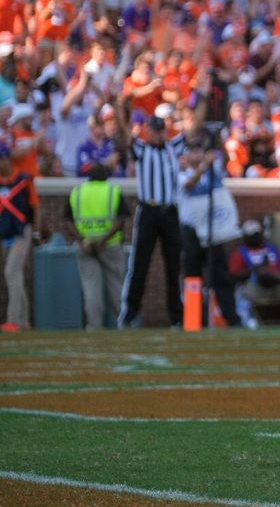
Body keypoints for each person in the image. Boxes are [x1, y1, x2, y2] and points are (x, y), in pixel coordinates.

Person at [114, 66, 209, 328]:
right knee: (139, 265)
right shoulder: (142, 149)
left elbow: (195, 126)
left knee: (172, 267)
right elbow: (124, 133)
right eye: (154, 130)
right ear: (148, 131)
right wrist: (123, 104)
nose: (158, 134)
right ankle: (129, 314)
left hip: (169, 212)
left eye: (160, 130)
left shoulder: (172, 147)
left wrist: (201, 96)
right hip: (148, 211)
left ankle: (177, 317)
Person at [177, 133, 242, 327]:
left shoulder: (213, 170)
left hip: (213, 232)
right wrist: (205, 165)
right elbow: (189, 185)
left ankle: (232, 319)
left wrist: (218, 135)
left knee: (220, 276)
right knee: (193, 278)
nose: (198, 155)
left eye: (200, 150)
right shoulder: (181, 174)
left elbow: (226, 158)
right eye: (193, 151)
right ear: (185, 157)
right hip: (191, 233)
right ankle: (192, 320)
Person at [66, 162, 129, 330]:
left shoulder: (77, 192)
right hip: (109, 244)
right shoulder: (112, 190)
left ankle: (93, 325)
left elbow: (68, 221)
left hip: (85, 245)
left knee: (91, 288)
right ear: (105, 176)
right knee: (116, 286)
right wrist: (103, 240)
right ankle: (122, 324)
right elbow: (122, 219)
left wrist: (82, 241)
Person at [0, 142, 39, 331]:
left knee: (11, 272)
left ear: (7, 159)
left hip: (21, 232)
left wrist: (36, 232)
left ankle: (14, 320)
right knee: (15, 275)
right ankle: (23, 321)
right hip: (4, 234)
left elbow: (35, 205)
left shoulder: (23, 179)